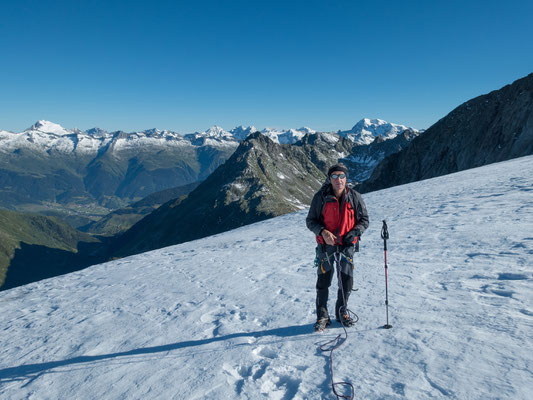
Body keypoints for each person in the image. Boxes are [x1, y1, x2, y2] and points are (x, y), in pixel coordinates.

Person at [306, 163, 369, 331]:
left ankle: (341, 312)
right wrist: (322, 231)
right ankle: (322, 316)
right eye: (334, 176)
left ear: (346, 179)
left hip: (347, 245)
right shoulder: (320, 197)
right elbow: (310, 221)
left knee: (346, 280)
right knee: (323, 281)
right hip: (325, 246)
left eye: (342, 176)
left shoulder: (354, 197)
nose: (338, 180)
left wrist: (355, 232)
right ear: (329, 179)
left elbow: (364, 220)